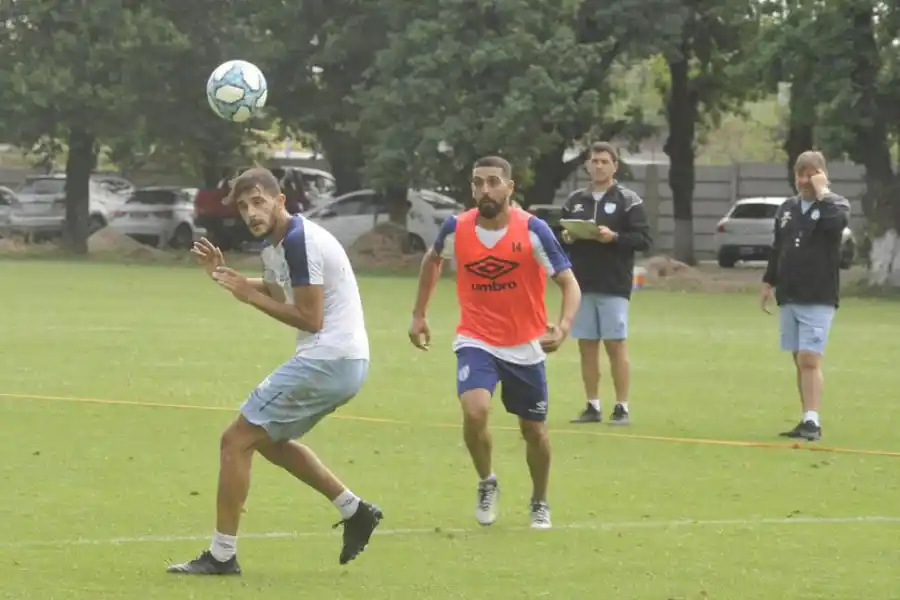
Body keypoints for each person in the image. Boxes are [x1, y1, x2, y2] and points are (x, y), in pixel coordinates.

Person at [167, 167, 382, 575]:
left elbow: (310, 318)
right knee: (265, 441)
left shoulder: (300, 242)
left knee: (235, 441)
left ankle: (222, 555)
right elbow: (277, 290)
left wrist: (248, 296)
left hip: (328, 358)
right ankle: (355, 510)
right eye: (244, 206)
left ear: (280, 201)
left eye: (259, 201)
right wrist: (224, 276)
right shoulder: (279, 244)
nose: (251, 212)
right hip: (342, 361)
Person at [408, 156, 581, 530]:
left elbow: (569, 283)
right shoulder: (456, 226)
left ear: (509, 187)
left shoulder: (534, 230)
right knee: (475, 411)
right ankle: (487, 482)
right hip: (476, 337)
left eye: (492, 182)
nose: (484, 190)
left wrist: (564, 327)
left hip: (525, 343)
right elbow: (433, 260)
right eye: (477, 183)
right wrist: (419, 313)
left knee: (533, 430)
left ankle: (539, 500)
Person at [761, 151, 850, 442]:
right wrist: (768, 282)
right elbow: (779, 247)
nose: (803, 180)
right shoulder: (787, 208)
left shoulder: (834, 205)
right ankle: (806, 417)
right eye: (799, 174)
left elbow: (836, 224)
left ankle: (813, 420)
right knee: (800, 359)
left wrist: (823, 191)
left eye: (810, 174)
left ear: (823, 174)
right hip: (790, 294)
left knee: (810, 359)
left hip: (819, 295)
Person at [561, 142, 652, 426]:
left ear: (615, 165)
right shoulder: (575, 200)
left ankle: (622, 406)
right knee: (586, 346)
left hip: (613, 284)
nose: (598, 166)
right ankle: (592, 405)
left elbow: (643, 240)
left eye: (604, 161)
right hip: (581, 284)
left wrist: (613, 237)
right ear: (587, 165)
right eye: (593, 161)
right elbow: (558, 234)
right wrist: (568, 237)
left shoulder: (629, 200)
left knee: (615, 344)